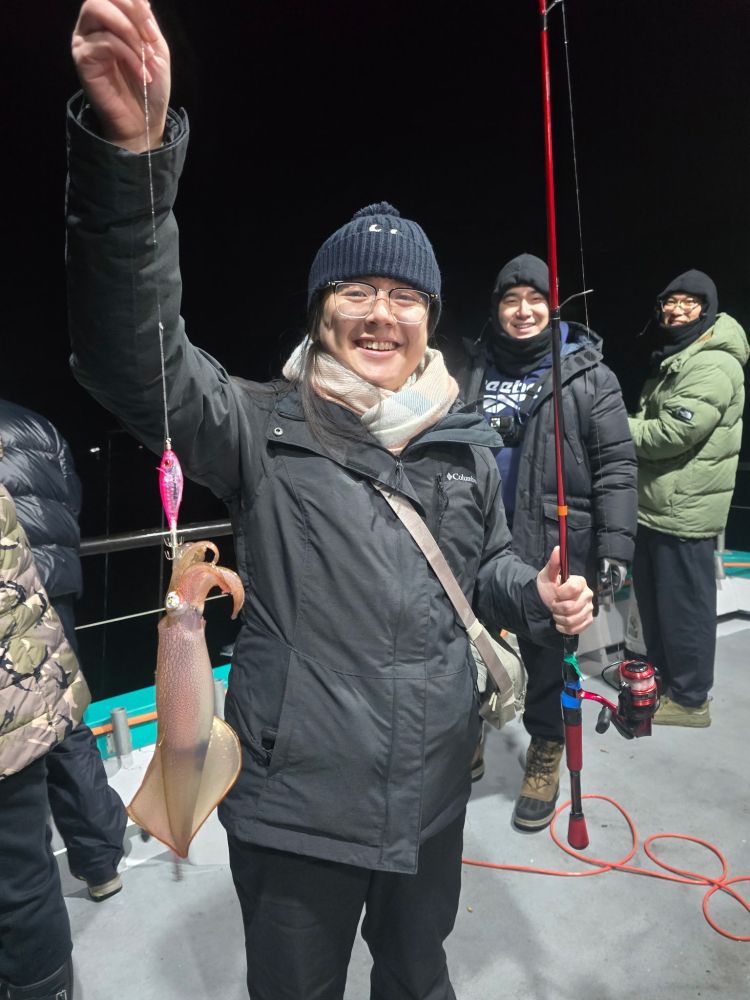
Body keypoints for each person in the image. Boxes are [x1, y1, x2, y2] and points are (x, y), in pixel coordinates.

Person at [67, 4, 594, 997]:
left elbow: (483, 571)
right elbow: (129, 357)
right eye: (355, 292)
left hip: (436, 786)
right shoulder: (256, 423)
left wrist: (537, 593)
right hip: (297, 802)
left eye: (405, 296)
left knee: (415, 972)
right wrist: (130, 163)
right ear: (320, 312)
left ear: (430, 318)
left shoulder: (464, 434)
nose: (380, 312)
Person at [453, 253, 637, 831]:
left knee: (549, 658)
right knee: (469, 646)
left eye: (535, 299)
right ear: (497, 308)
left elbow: (616, 467)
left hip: (554, 542)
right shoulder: (472, 370)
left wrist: (615, 548)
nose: (523, 310)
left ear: (552, 306)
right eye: (511, 300)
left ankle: (546, 750)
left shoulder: (591, 376)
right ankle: (470, 738)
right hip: (477, 542)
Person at [0, 397, 127, 901]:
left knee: (20, 728)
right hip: (57, 585)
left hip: (11, 596)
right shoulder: (39, 422)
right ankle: (100, 862)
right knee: (65, 719)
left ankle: (28, 886)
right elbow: (71, 497)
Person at [629, 270, 748, 727]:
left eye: (687, 302)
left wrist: (613, 426)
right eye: (669, 303)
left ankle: (692, 698)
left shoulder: (713, 361)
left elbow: (674, 433)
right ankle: (662, 680)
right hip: (658, 504)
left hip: (685, 508)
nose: (675, 310)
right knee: (658, 603)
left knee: (685, 608)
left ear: (707, 308)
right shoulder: (682, 355)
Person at [0, 484, 90, 1000]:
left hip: (18, 693)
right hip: (31, 669)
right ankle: (101, 862)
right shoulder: (40, 430)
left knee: (20, 881)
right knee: (24, 874)